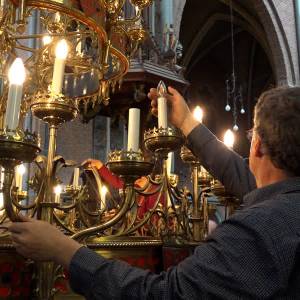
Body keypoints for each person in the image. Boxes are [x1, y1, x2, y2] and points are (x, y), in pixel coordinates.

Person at [7, 86, 300, 299]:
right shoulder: (284, 203)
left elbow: (164, 295)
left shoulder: (256, 231)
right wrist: (185, 122)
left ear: (257, 144)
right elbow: (241, 175)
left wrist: (64, 250)